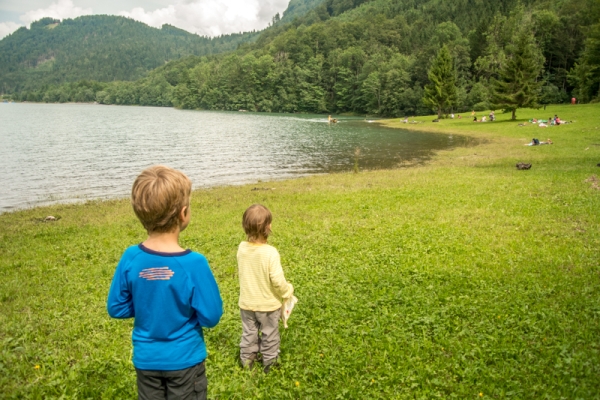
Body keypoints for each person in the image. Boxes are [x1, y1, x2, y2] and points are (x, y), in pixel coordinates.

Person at [107, 165, 223, 400]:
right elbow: (211, 317)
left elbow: (116, 307)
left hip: (146, 360)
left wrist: (148, 304)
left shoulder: (131, 257)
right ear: (183, 213)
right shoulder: (194, 263)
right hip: (185, 360)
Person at [237, 204, 294, 373]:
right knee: (269, 333)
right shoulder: (270, 253)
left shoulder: (241, 249)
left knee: (249, 333)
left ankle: (247, 360)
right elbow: (277, 280)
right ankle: (269, 362)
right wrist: (287, 291)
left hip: (247, 304)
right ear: (268, 227)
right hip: (268, 305)